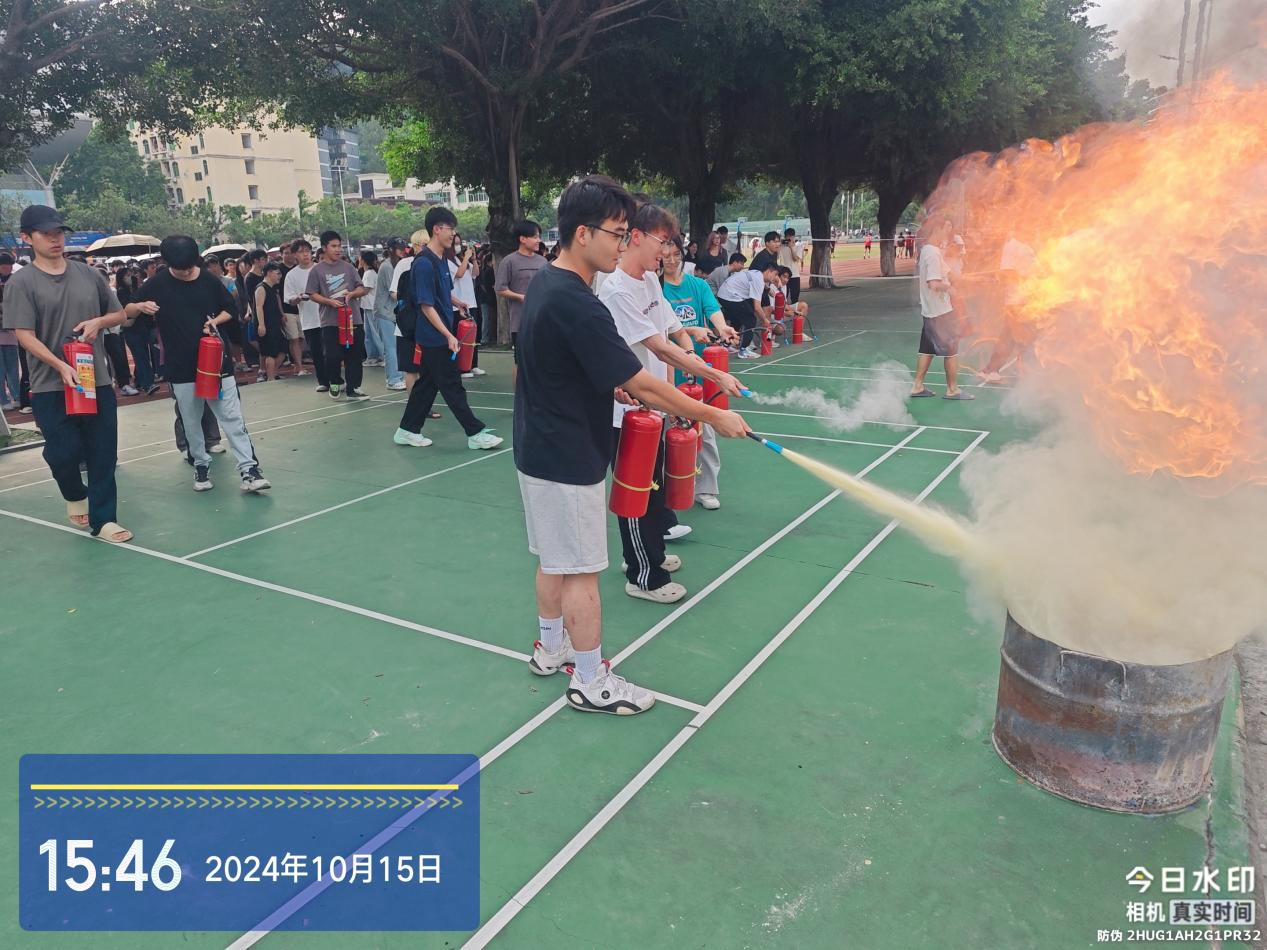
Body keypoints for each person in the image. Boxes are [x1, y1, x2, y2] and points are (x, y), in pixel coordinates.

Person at [516, 176, 749, 715]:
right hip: (568, 455)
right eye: (617, 233)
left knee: (554, 557)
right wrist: (714, 413)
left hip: (537, 447)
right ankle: (590, 679)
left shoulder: (549, 285)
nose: (623, 244)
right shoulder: (579, 302)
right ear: (582, 233)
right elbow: (645, 382)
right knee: (581, 570)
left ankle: (551, 648)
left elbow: (556, 366)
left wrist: (607, 384)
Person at [599, 204, 744, 603]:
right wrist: (715, 378)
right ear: (636, 237)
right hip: (626, 411)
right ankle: (642, 575)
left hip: (654, 405)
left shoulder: (649, 280)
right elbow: (660, 348)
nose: (666, 253)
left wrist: (692, 377)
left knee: (655, 488)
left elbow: (672, 334)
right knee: (635, 493)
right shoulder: (615, 290)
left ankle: (651, 554)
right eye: (662, 242)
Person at [5, 205, 132, 542]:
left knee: (102, 452)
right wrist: (61, 365)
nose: (55, 239)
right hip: (50, 384)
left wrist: (99, 322)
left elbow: (119, 315)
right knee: (63, 453)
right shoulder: (21, 283)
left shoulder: (89, 274)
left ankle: (104, 519)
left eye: (59, 232)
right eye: (46, 233)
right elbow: (24, 335)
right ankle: (74, 493)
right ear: (27, 238)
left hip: (95, 379)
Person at [128, 236, 270, 493]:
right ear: (167, 263)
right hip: (180, 366)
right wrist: (139, 306)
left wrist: (215, 321)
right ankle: (201, 464)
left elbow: (230, 309)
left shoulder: (209, 280)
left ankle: (249, 469)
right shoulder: (156, 284)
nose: (185, 272)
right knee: (191, 420)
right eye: (179, 268)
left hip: (215, 361)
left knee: (232, 417)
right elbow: (127, 312)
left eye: (188, 267)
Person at [393, 207, 503, 450]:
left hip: (440, 332)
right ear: (437, 229)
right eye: (450, 229)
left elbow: (441, 293)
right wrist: (448, 334)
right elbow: (425, 305)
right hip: (433, 336)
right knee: (452, 384)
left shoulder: (442, 258)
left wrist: (457, 302)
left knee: (427, 385)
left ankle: (407, 429)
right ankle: (475, 433)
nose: (454, 234)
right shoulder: (424, 263)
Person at [659, 236, 739, 511]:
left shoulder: (698, 285)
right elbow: (662, 334)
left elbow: (713, 311)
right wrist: (691, 332)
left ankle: (706, 488)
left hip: (698, 372)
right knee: (668, 435)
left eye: (675, 254)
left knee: (705, 432)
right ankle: (669, 488)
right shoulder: (656, 289)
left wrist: (722, 328)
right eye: (665, 255)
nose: (671, 260)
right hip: (668, 372)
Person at [911, 217, 972, 400]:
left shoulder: (929, 250)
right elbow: (934, 283)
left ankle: (917, 386)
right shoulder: (933, 253)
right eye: (946, 228)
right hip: (941, 312)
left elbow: (949, 273)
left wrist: (975, 279)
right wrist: (950, 288)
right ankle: (953, 389)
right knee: (952, 351)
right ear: (936, 229)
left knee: (927, 349)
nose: (948, 233)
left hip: (930, 311)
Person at [305, 230, 369, 399]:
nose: (338, 249)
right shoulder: (317, 270)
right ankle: (335, 382)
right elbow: (312, 293)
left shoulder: (349, 267)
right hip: (330, 321)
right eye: (333, 246)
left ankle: (353, 388)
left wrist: (353, 294)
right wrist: (329, 301)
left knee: (354, 355)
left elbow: (361, 288)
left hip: (352, 318)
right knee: (332, 355)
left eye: (339, 246)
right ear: (324, 248)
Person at [495, 219, 547, 382]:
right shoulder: (509, 261)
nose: (538, 240)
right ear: (523, 239)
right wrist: (520, 297)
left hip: (543, 321)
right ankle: (520, 395)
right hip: (520, 323)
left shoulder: (543, 262)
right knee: (521, 363)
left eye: (539, 236)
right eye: (535, 237)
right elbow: (500, 289)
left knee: (543, 363)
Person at [282, 239, 327, 392]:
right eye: (301, 252)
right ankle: (323, 381)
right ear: (295, 255)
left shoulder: (321, 268)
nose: (305, 254)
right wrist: (299, 297)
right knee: (317, 353)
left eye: (307, 251)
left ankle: (335, 379)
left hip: (327, 318)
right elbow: (289, 299)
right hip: (309, 320)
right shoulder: (291, 275)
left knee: (331, 352)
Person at [718, 258, 778, 356]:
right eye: (775, 274)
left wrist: (768, 289)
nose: (775, 278)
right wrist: (765, 320)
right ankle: (743, 349)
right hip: (730, 295)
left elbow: (758, 284)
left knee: (737, 319)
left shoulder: (757, 273)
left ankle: (726, 344)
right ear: (768, 271)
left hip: (724, 294)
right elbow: (757, 307)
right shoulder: (758, 280)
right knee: (750, 319)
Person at [447, 233, 485, 379]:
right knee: (461, 336)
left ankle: (473, 364)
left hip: (471, 302)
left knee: (473, 335)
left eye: (459, 243)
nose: (458, 246)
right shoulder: (448, 261)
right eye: (455, 243)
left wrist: (473, 259)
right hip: (458, 304)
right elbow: (459, 274)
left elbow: (476, 273)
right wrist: (466, 258)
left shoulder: (462, 259)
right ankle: (461, 367)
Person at [374, 238, 407, 390]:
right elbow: (394, 292)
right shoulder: (387, 266)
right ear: (392, 249)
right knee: (390, 347)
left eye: (403, 247)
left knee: (397, 347)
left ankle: (399, 376)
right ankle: (393, 379)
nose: (402, 250)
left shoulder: (398, 264)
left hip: (394, 312)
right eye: (399, 248)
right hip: (384, 312)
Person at [253, 261, 286, 381]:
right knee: (271, 352)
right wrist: (261, 325)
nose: (279, 276)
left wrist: (281, 315)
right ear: (269, 273)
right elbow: (258, 307)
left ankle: (272, 373)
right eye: (277, 273)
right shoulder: (261, 288)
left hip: (275, 323)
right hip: (266, 324)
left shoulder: (273, 288)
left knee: (283, 349)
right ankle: (271, 378)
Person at [0, 253, 21, 409]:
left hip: (11, 332)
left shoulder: (14, 280)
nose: (9, 268)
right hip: (6, 329)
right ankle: (4, 400)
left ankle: (17, 396)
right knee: (1, 368)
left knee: (13, 367)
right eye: (7, 266)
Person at [358, 249, 384, 367]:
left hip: (371, 306)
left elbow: (365, 290)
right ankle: (372, 356)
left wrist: (352, 294)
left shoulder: (369, 273)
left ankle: (383, 356)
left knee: (375, 332)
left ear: (363, 260)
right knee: (369, 333)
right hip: (368, 306)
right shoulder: (370, 272)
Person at [777, 228, 803, 303]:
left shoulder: (798, 247)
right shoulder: (782, 247)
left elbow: (795, 259)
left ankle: (794, 310)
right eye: (787, 237)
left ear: (793, 237)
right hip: (784, 275)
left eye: (791, 237)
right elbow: (776, 257)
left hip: (795, 275)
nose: (789, 239)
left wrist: (791, 247)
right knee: (783, 297)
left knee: (795, 297)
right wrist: (779, 245)